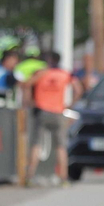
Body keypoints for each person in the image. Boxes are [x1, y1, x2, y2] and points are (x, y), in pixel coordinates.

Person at [23, 54, 78, 183]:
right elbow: (78, 88)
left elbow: (26, 85)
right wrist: (70, 104)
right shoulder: (64, 74)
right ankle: (63, 178)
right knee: (60, 146)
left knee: (36, 143)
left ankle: (29, 176)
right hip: (58, 111)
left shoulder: (41, 74)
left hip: (42, 111)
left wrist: (29, 102)